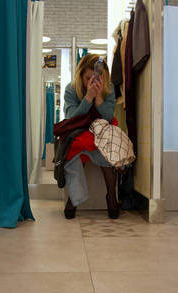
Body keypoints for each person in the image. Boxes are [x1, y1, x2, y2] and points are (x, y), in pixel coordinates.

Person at [63, 54, 119, 219]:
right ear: (80, 75)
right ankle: (74, 198)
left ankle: (111, 196)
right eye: (88, 78)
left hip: (101, 131)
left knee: (108, 150)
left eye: (97, 78)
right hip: (79, 131)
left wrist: (99, 98)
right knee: (73, 150)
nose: (92, 83)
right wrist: (88, 98)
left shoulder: (108, 87)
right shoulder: (71, 89)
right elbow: (71, 117)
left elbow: (108, 117)